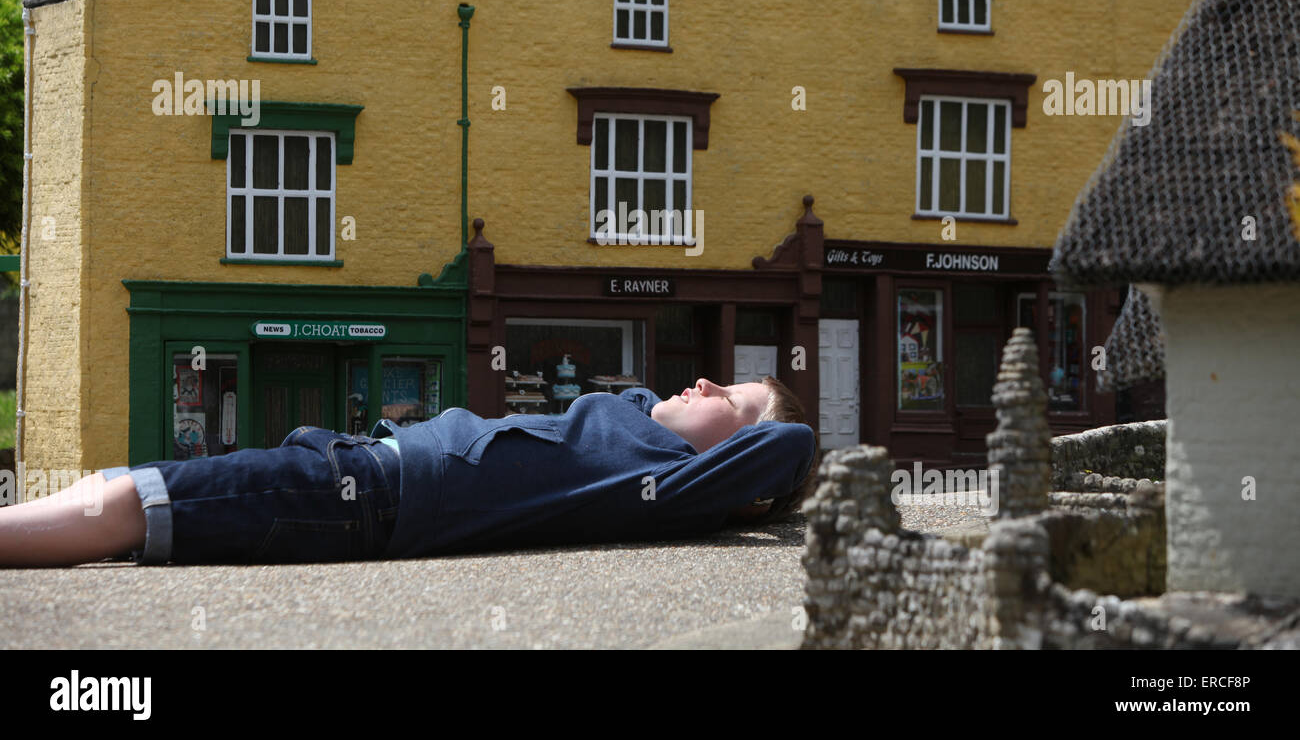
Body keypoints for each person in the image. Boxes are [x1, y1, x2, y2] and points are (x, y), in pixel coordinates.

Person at [0, 376, 821, 567]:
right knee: (122, 483)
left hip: (371, 500)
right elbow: (644, 398)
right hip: (353, 464)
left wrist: (778, 425)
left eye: (737, 402)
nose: (709, 382)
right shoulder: (633, 420)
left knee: (137, 505)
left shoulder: (668, 482)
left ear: (741, 464)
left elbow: (790, 442)